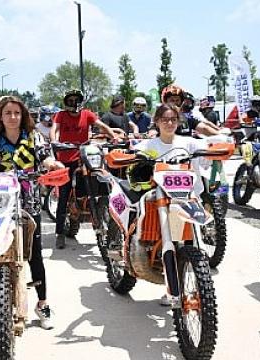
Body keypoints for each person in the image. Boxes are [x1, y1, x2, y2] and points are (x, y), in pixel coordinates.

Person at [0, 95, 65, 329]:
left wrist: (52, 164)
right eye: (8, 113)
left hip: (28, 201)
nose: (13, 117)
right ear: (0, 116)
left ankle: (43, 303)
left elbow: (45, 157)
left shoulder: (33, 137)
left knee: (35, 253)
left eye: (17, 113)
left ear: (23, 115)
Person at [126, 103, 209, 306]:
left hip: (185, 199)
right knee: (142, 213)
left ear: (179, 121)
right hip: (159, 198)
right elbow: (132, 155)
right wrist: (126, 154)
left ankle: (180, 287)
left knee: (188, 242)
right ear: (157, 121)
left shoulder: (189, 143)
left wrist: (222, 145)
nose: (169, 123)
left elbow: (210, 148)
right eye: (165, 119)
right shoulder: (148, 145)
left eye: (173, 119)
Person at [50, 89, 124, 249]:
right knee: (63, 195)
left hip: (84, 157)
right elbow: (54, 129)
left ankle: (104, 216)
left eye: (76, 100)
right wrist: (55, 142)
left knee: (101, 182)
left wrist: (114, 137)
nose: (74, 103)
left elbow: (102, 126)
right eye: (70, 100)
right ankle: (60, 233)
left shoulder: (87, 114)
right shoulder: (61, 115)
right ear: (66, 102)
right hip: (66, 160)